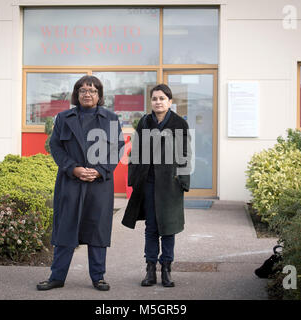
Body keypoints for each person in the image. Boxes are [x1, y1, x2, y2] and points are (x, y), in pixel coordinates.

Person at [37, 75, 124, 291]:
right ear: (77, 94)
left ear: (99, 95)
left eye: (93, 91)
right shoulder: (63, 117)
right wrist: (73, 169)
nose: (88, 94)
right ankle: (56, 277)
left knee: (97, 231)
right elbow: (55, 147)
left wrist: (100, 171)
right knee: (65, 228)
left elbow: (117, 149)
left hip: (99, 184)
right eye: (83, 90)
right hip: (70, 183)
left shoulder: (111, 119)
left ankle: (98, 277)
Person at [122, 84, 191, 287]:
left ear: (170, 102)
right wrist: (133, 179)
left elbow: (185, 155)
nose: (158, 102)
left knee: (168, 228)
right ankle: (150, 269)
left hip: (170, 184)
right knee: (151, 227)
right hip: (149, 183)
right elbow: (135, 153)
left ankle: (166, 270)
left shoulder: (179, 124)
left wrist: (183, 183)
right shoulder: (145, 121)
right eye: (154, 99)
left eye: (162, 98)